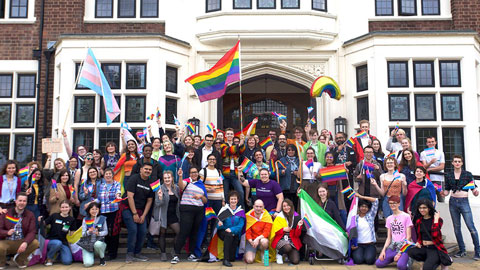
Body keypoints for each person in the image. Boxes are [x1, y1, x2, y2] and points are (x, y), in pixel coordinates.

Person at [443, 155, 480, 260]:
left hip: (464, 201)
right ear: (453, 163)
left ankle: (478, 251)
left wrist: (476, 192)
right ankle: (462, 250)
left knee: (470, 226)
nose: (457, 163)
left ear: (462, 163)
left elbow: (474, 189)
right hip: (453, 201)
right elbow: (446, 190)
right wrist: (442, 193)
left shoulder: (467, 175)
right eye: (455, 161)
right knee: (457, 227)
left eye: (459, 161)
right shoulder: (449, 175)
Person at [171, 167, 208, 264]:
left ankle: (191, 254)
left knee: (194, 233)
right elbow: (181, 186)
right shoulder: (187, 181)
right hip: (187, 210)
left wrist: (201, 196)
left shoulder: (201, 184)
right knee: (184, 232)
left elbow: (205, 200)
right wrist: (180, 176)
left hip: (199, 210)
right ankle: (176, 254)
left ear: (198, 174)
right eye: (192, 172)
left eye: (195, 172)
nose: (194, 174)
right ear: (189, 174)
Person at [122, 163, 154, 263]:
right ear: (141, 169)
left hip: (141, 210)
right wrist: (135, 214)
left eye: (149, 170)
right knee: (133, 229)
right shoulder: (134, 178)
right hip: (127, 208)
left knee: (143, 231)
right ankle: (130, 254)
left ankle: (137, 253)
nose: (147, 171)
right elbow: (130, 196)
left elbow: (149, 201)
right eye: (146, 169)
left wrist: (143, 215)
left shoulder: (151, 182)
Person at [0, 192, 39, 268]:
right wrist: (7, 232)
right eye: (20, 200)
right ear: (16, 201)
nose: (22, 203)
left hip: (21, 241)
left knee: (35, 243)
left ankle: (19, 259)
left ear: (26, 202)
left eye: (24, 201)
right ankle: (2, 263)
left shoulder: (30, 214)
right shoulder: (6, 213)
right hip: (7, 241)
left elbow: (32, 231)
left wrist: (25, 242)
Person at [408, 199, 449, 270]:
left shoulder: (438, 220)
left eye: (424, 208)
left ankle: (440, 259)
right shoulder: (419, 221)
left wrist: (436, 221)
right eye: (420, 208)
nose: (422, 210)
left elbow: (435, 235)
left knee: (427, 268)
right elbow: (419, 235)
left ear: (429, 208)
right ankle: (428, 260)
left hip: (434, 248)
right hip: (424, 247)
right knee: (411, 252)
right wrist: (418, 242)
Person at [375, 196, 413, 270]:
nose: (392, 205)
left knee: (401, 266)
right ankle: (395, 258)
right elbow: (389, 237)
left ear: (399, 204)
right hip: (393, 246)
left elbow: (408, 237)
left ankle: (407, 259)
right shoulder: (389, 218)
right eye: (390, 203)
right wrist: (383, 251)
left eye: (394, 203)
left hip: (404, 246)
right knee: (379, 263)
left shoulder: (406, 216)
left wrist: (400, 253)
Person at [152, 171, 180, 262]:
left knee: (179, 232)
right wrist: (160, 197)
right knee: (162, 234)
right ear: (163, 179)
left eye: (169, 177)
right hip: (162, 215)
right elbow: (157, 204)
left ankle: (174, 251)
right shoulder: (159, 188)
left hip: (173, 215)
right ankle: (163, 253)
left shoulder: (176, 188)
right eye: (165, 178)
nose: (167, 179)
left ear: (172, 178)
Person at [213, 191, 245, 267]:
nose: (233, 201)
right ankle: (225, 260)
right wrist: (220, 224)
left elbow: (241, 226)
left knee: (232, 258)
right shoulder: (224, 210)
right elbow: (217, 226)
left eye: (235, 199)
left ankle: (229, 258)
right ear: (229, 200)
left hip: (235, 232)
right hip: (223, 232)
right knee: (229, 235)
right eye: (231, 199)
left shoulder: (240, 211)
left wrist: (232, 230)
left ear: (238, 200)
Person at [220, 126, 249, 208]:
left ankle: (240, 210)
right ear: (225, 135)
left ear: (233, 135)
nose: (229, 135)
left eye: (231, 134)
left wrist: (242, 142)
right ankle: (226, 211)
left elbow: (241, 151)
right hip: (225, 173)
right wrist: (239, 144)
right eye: (228, 134)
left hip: (235, 173)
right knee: (225, 194)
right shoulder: (223, 145)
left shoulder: (235, 145)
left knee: (240, 192)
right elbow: (229, 151)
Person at [97, 168, 121, 261]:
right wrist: (91, 203)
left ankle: (113, 253)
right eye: (106, 174)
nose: (108, 175)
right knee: (104, 232)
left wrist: (118, 196)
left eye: (109, 174)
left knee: (113, 232)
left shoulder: (116, 184)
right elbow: (99, 199)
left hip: (113, 211)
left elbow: (118, 192)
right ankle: (107, 250)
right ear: (104, 176)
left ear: (112, 175)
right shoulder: (102, 185)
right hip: (103, 212)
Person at [270, 199, 303, 265]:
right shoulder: (279, 217)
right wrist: (283, 229)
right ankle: (279, 254)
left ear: (291, 206)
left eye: (288, 205)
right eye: (284, 206)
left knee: (295, 261)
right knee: (287, 247)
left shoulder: (296, 217)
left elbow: (297, 235)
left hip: (292, 240)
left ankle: (287, 255)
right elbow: (275, 231)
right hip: (281, 239)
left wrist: (299, 226)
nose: (286, 207)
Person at [349, 193, 379, 265]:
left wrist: (361, 197)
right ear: (359, 207)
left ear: (368, 208)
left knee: (369, 261)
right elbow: (351, 232)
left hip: (370, 244)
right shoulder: (354, 218)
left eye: (366, 207)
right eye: (362, 206)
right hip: (358, 245)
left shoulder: (370, 216)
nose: (364, 208)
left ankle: (370, 254)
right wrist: (352, 244)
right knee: (358, 261)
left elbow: (376, 201)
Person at [42, 200, 75, 266]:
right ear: (60, 208)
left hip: (63, 242)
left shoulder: (71, 219)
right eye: (62, 207)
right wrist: (40, 220)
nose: (64, 209)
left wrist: (71, 247)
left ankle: (58, 254)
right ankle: (49, 258)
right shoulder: (54, 216)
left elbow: (72, 233)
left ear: (70, 208)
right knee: (57, 243)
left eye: (66, 207)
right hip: (51, 241)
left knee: (67, 261)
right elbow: (43, 224)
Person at [244, 199, 273, 264]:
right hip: (252, 240)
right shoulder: (248, 216)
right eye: (257, 206)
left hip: (261, 239)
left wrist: (257, 239)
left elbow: (266, 232)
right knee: (250, 260)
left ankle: (263, 253)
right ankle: (248, 254)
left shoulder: (267, 216)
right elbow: (247, 232)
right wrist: (251, 241)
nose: (258, 208)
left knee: (264, 241)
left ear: (263, 207)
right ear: (253, 206)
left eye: (260, 207)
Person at [80, 202, 108, 267]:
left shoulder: (102, 218)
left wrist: (98, 233)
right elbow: (83, 234)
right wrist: (89, 232)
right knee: (87, 264)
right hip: (88, 245)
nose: (94, 211)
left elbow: (106, 232)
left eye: (96, 209)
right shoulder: (85, 219)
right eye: (92, 209)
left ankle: (102, 258)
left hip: (99, 242)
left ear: (99, 210)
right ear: (89, 210)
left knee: (98, 244)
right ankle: (90, 256)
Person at [420, 137, 445, 201]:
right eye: (429, 142)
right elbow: (424, 167)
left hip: (439, 179)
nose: (431, 143)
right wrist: (431, 162)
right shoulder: (423, 153)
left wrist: (429, 169)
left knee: (441, 198)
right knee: (428, 199)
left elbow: (442, 167)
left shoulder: (440, 152)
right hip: (428, 179)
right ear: (426, 143)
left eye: (432, 141)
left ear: (435, 142)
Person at [278, 144, 300, 209]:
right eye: (289, 150)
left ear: (295, 151)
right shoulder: (282, 160)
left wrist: (298, 173)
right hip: (286, 186)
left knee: (295, 204)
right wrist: (281, 172)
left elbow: (302, 171)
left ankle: (295, 217)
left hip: (295, 185)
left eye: (292, 150)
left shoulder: (299, 160)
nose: (291, 152)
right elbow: (276, 172)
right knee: (286, 204)